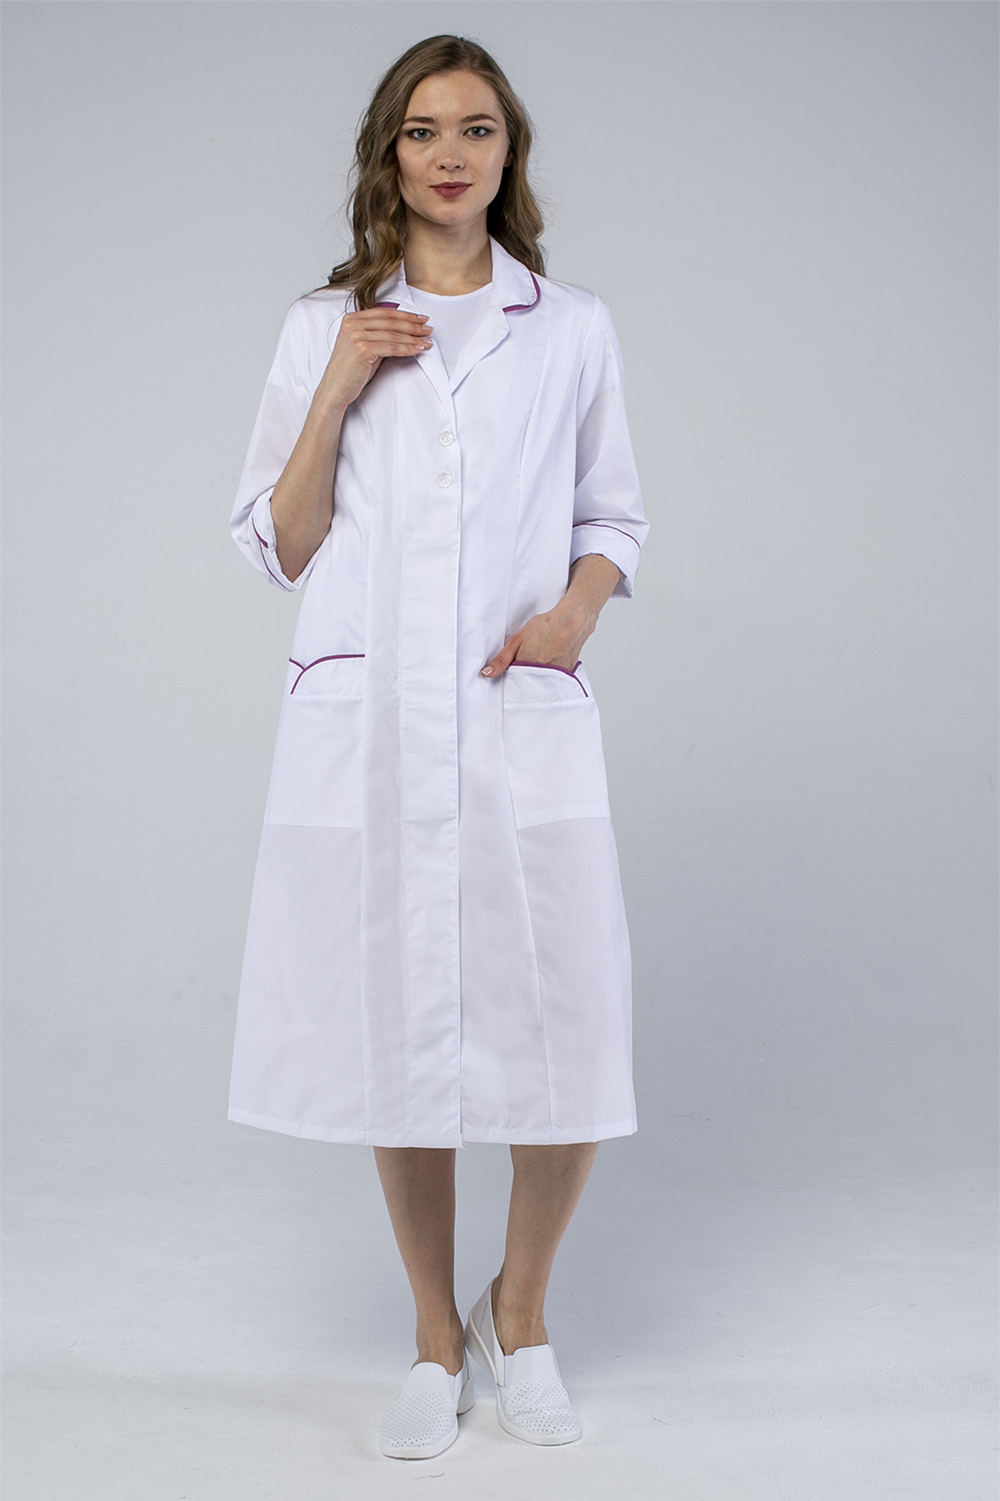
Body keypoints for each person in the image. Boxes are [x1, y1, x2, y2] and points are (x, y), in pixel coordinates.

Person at [227, 33, 649, 1461]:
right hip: (377, 729)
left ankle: (518, 1315)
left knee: (566, 1024)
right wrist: (340, 382)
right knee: (401, 1024)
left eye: (477, 128)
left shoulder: (570, 326)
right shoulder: (322, 326)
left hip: (518, 711)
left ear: (508, 150)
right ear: (389, 155)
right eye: (423, 130)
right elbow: (283, 544)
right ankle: (428, 1334)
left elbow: (613, 516)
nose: (451, 154)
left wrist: (574, 617)